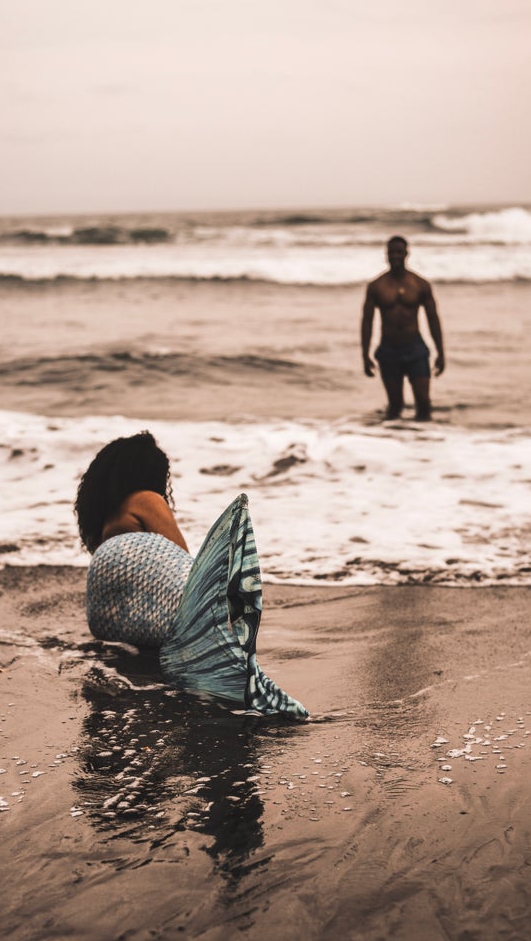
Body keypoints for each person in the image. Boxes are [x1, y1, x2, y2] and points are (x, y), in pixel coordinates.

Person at [75, 431, 308, 718]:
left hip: (107, 619)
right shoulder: (145, 499)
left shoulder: (102, 522)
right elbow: (185, 564)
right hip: (150, 612)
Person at [361, 235, 445, 420]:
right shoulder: (377, 286)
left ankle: (423, 442)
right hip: (388, 350)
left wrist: (441, 352)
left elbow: (433, 319)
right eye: (391, 252)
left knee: (423, 403)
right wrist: (365, 355)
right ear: (386, 255)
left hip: (415, 349)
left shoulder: (420, 285)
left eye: (399, 252)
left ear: (407, 254)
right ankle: (395, 442)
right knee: (395, 406)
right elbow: (367, 321)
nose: (395, 256)